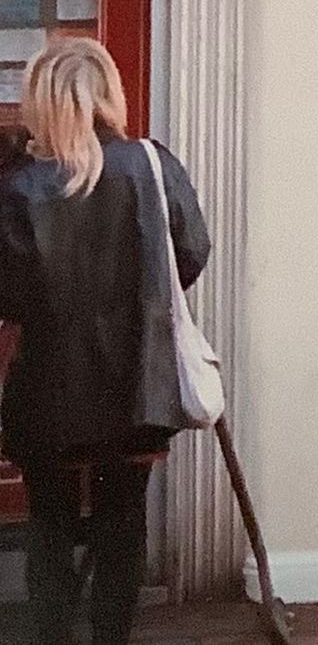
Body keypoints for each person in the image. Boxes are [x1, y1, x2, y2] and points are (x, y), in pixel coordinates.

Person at [0, 38, 211, 645]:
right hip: (139, 382)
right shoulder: (152, 164)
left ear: (40, 100)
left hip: (48, 389)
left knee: (50, 519)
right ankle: (111, 634)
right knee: (123, 514)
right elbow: (191, 252)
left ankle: (52, 633)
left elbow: (7, 296)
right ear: (109, 93)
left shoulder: (19, 187)